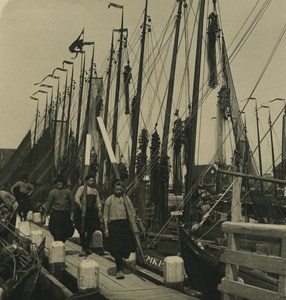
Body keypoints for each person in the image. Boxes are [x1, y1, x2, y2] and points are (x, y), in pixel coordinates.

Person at [103, 179, 136, 280]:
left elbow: (132, 212)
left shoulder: (126, 199)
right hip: (114, 226)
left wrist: (133, 224)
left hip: (124, 225)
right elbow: (105, 215)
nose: (118, 191)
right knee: (116, 249)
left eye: (120, 189)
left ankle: (122, 261)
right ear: (114, 189)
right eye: (116, 189)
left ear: (122, 190)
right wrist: (106, 228)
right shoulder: (110, 200)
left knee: (127, 248)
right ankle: (119, 270)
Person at [74, 174, 102, 257]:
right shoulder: (82, 188)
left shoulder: (94, 190)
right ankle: (83, 248)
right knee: (82, 229)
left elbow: (98, 201)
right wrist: (80, 205)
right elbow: (77, 198)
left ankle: (87, 247)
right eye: (90, 180)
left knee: (91, 229)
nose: (91, 182)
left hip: (91, 212)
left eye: (93, 180)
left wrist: (99, 210)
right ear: (86, 181)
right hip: (82, 211)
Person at [45, 175, 75, 243]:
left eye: (60, 182)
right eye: (57, 182)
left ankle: (61, 244)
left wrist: (72, 214)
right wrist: (45, 214)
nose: (59, 183)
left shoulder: (68, 192)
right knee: (56, 232)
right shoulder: (53, 192)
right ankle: (58, 246)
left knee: (67, 232)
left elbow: (72, 204)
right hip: (56, 214)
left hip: (65, 214)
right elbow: (49, 204)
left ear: (63, 183)